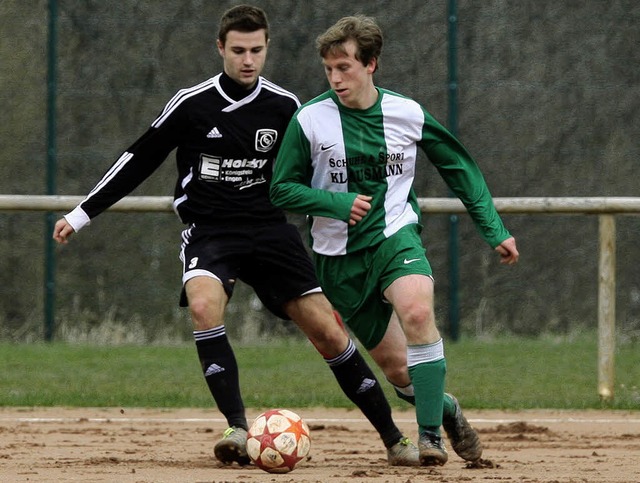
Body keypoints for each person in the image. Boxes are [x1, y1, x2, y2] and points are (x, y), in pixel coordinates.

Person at [52, 5, 421, 468]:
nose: (248, 60)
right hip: (211, 233)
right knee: (204, 306)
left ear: (267, 49)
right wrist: (83, 213)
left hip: (271, 233)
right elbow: (140, 157)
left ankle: (393, 439)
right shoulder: (192, 103)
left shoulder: (286, 107)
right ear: (221, 48)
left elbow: (320, 171)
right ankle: (237, 427)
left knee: (329, 331)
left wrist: (345, 210)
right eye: (239, 50)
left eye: (257, 50)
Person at [270, 15, 520, 467]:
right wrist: (335, 203)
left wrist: (494, 230)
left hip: (394, 236)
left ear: (371, 64)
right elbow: (280, 189)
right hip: (338, 260)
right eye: (329, 69)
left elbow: (460, 168)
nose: (335, 77)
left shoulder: (407, 113)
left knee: (418, 310)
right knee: (400, 371)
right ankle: (446, 411)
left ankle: (430, 439)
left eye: (344, 67)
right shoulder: (309, 120)